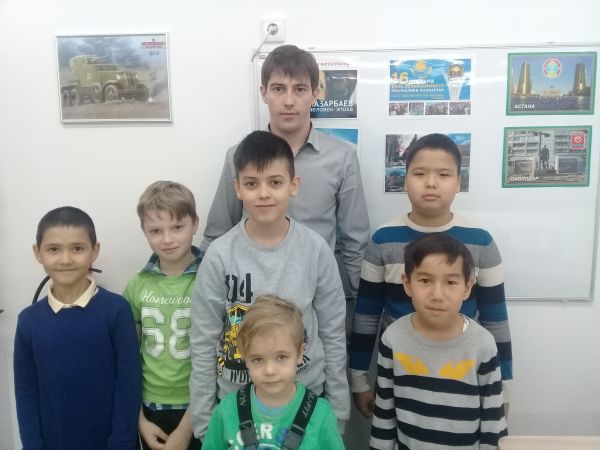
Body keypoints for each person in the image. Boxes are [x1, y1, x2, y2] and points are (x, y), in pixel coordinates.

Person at [190, 130, 349, 439]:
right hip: (235, 407)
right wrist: (204, 422)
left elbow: (333, 333)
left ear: (293, 185)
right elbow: (203, 339)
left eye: (275, 182)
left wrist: (339, 411)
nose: (263, 193)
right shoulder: (219, 255)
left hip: (305, 402)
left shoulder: (316, 250)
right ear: (237, 188)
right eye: (252, 184)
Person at [349, 133, 512, 418]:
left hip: (463, 376)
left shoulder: (481, 242)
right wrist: (359, 379)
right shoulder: (383, 240)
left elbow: (496, 320)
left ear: (458, 182)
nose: (431, 183)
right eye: (420, 173)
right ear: (405, 180)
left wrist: (504, 388)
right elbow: (366, 315)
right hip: (399, 374)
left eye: (444, 174)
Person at [200, 44, 369, 300]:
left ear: (315, 93)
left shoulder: (342, 158)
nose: (289, 101)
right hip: (252, 301)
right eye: (278, 89)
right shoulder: (238, 157)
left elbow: (355, 244)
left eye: (299, 89)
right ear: (264, 93)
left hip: (316, 298)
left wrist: (361, 310)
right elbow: (217, 234)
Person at [14, 206, 141, 450]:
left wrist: (121, 444)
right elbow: (26, 394)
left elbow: (128, 385)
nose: (66, 259)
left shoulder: (116, 311)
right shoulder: (28, 321)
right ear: (38, 253)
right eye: (53, 249)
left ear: (95, 250)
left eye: (77, 248)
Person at [370, 233, 508, 449]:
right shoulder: (392, 339)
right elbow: (383, 414)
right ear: (407, 283)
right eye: (425, 281)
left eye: (451, 282)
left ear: (467, 287)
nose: (437, 294)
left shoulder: (482, 344)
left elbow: (493, 421)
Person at [203, 295, 345, 449]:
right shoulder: (227, 411)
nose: (269, 371)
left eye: (281, 357)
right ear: (244, 357)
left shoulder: (320, 415)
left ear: (300, 353)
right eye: (258, 359)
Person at [123, 181, 202, 450]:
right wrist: (138, 419)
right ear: (144, 231)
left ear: (195, 224)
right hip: (150, 406)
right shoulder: (137, 284)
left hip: (199, 403)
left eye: (177, 227)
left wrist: (187, 427)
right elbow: (125, 354)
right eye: (156, 230)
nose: (167, 239)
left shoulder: (210, 278)